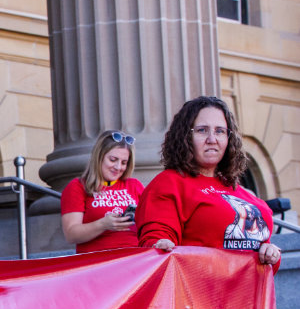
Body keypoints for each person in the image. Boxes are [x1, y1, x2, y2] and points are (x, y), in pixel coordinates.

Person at [136, 96, 281, 266]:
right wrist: (159, 246)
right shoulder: (170, 184)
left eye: (220, 131)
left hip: (251, 290)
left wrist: (270, 253)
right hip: (202, 289)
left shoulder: (237, 189)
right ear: (185, 137)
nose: (212, 139)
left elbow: (261, 250)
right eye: (202, 130)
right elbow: (156, 242)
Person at [60, 131, 144, 253]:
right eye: (113, 159)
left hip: (135, 257)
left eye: (124, 162)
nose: (118, 167)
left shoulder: (134, 185)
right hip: (98, 262)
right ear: (99, 156)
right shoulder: (77, 187)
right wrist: (103, 224)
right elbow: (71, 234)